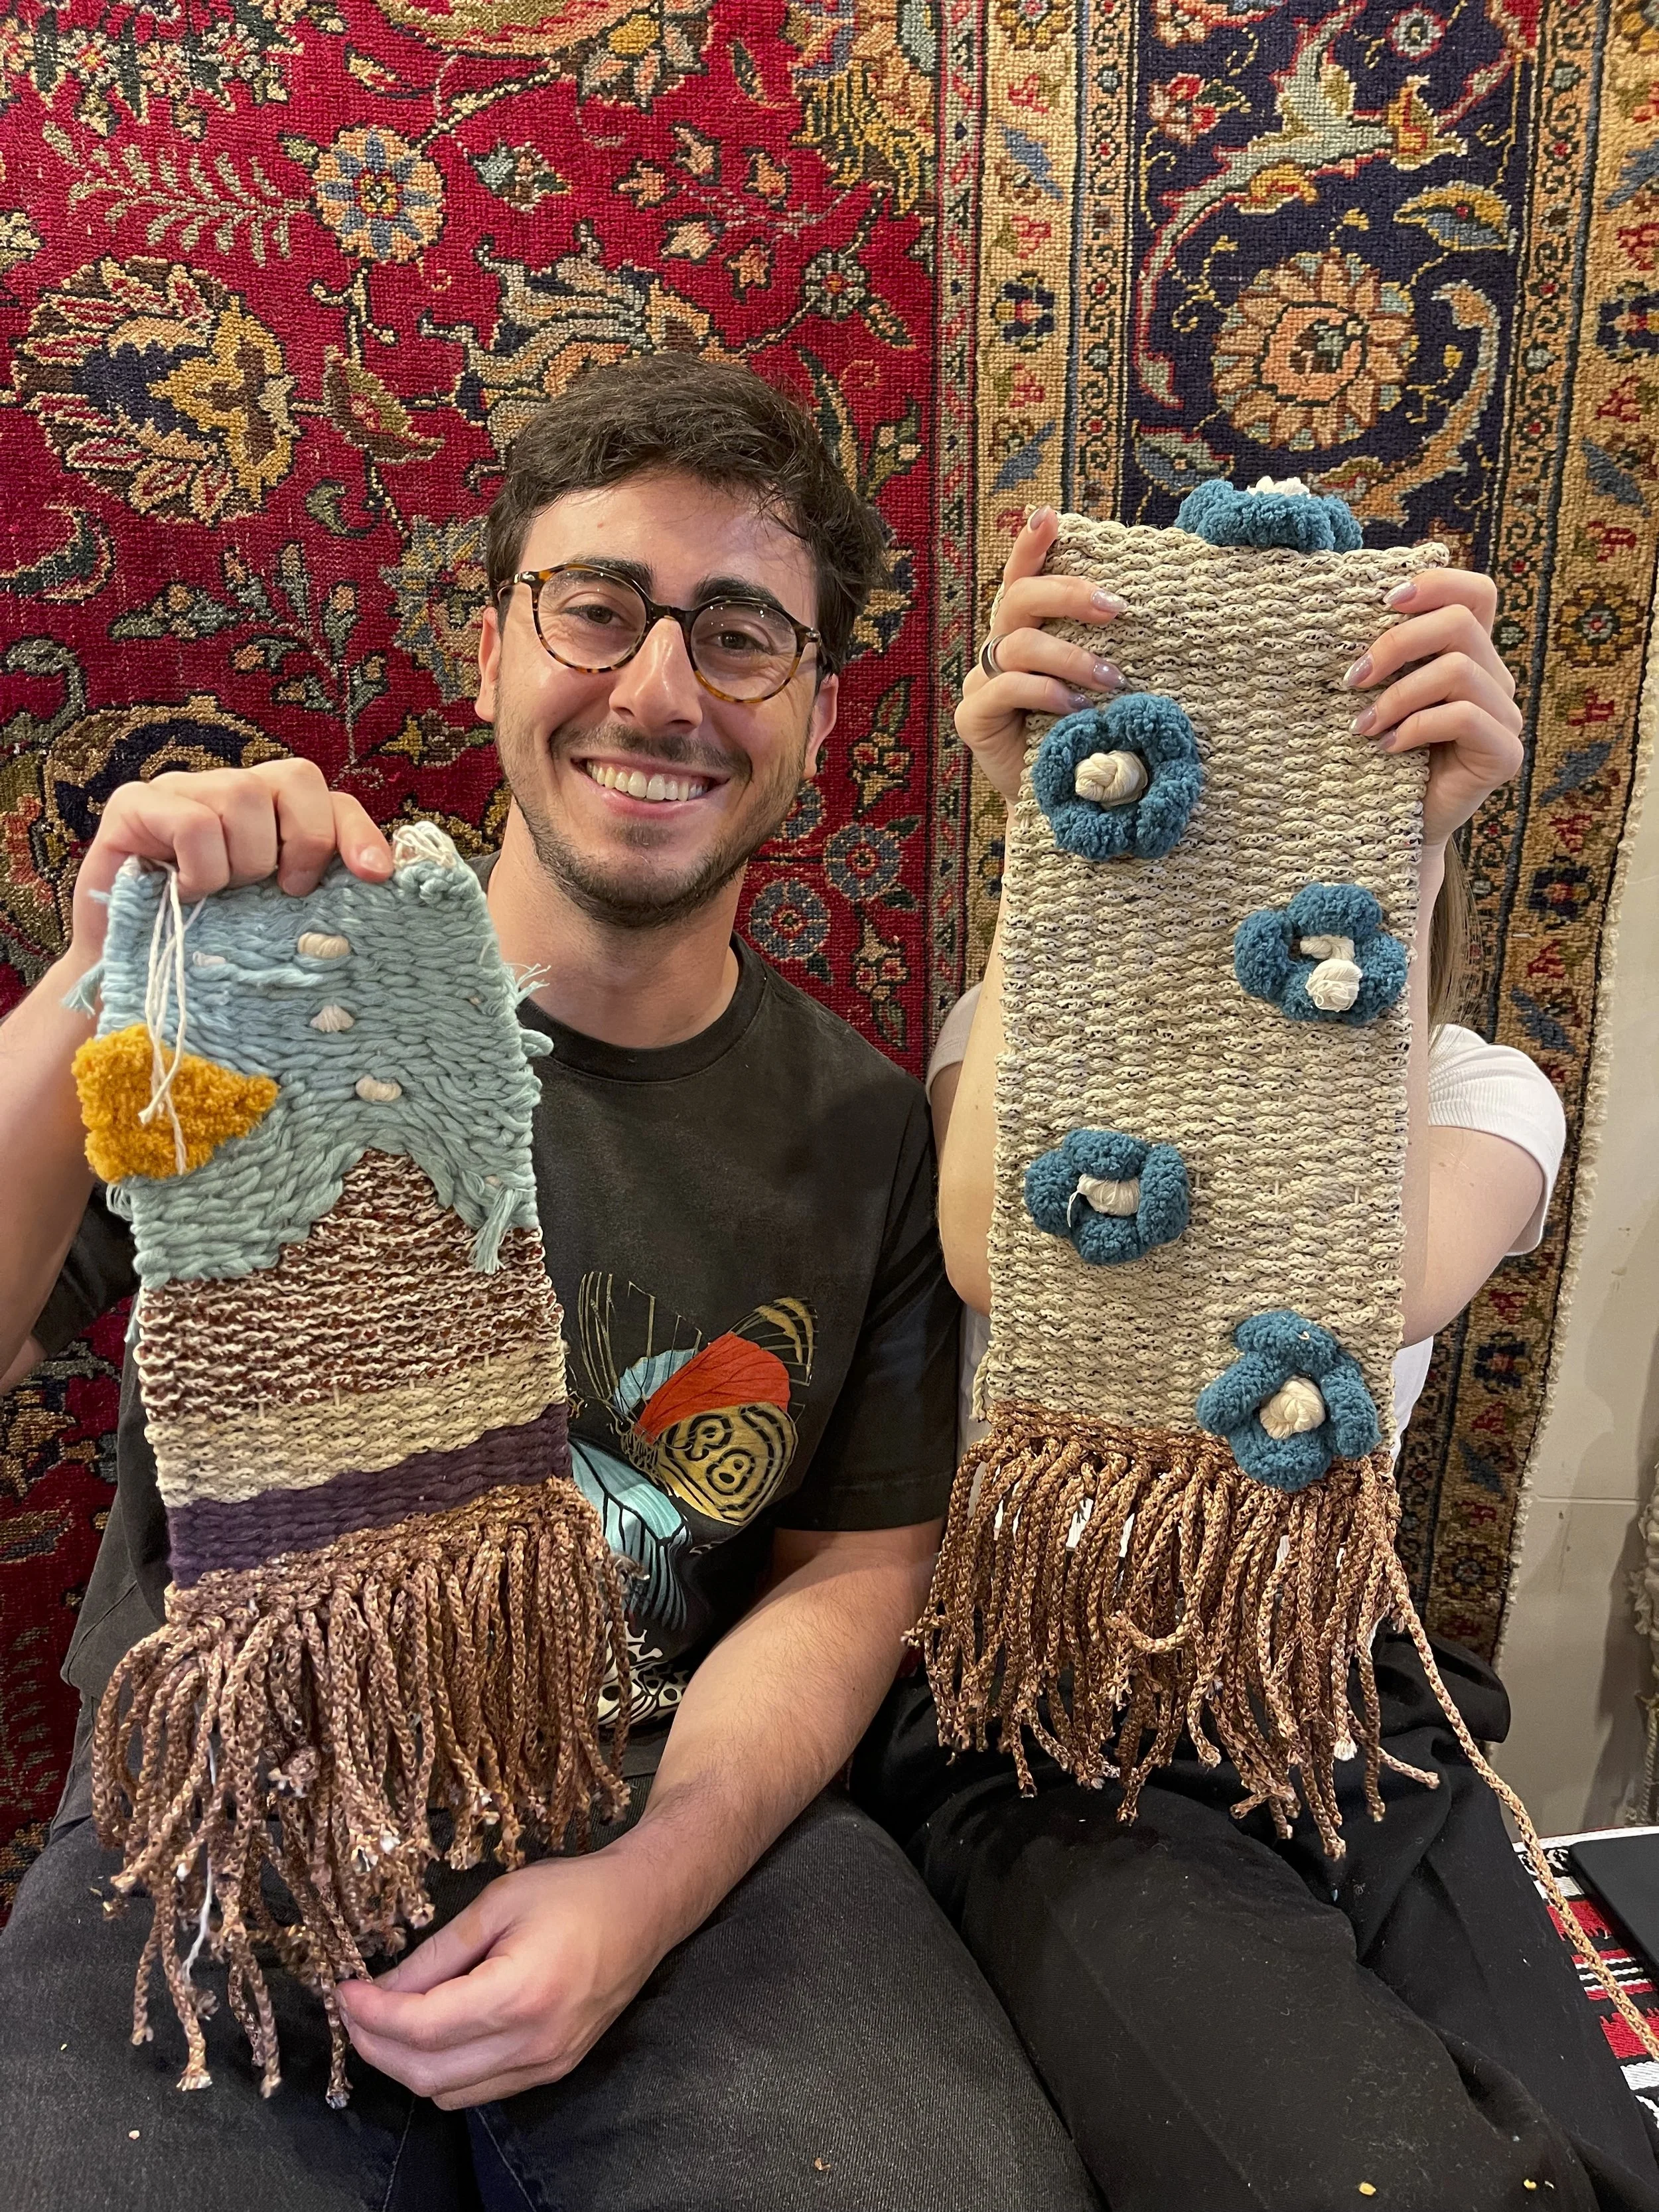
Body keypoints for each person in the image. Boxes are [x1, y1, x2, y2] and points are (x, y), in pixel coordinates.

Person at [0, 359, 1101, 2212]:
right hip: (226, 1788)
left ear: (817, 717)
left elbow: (853, 1568)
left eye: (741, 634)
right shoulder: (257, 1002)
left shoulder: (866, 1129)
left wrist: (644, 1885)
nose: (661, 687)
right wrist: (100, 974)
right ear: (489, 650)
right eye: (599, 608)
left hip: (673, 1801)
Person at [854, 506, 1659, 2212]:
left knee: (1590, 2167)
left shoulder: (1478, 1093)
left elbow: (1361, 1273)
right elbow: (999, 1237)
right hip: (1056, 1715)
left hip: (1334, 1694)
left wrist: (1405, 847)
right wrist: (1049, 856)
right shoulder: (1017, 1046)